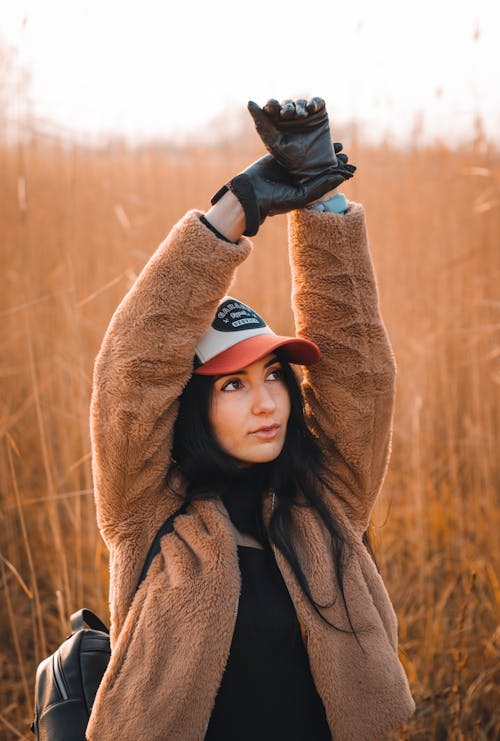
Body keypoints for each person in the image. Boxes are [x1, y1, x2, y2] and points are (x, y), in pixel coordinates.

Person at [86, 96, 416, 741]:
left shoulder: (328, 499)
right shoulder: (148, 511)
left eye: (274, 376)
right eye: (233, 385)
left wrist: (322, 201)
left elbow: (358, 367)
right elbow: (134, 366)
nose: (267, 404)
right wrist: (241, 205)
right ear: (189, 405)